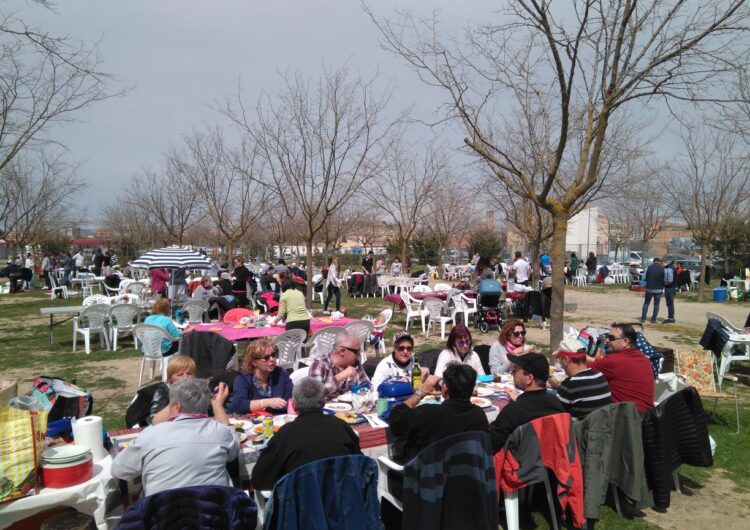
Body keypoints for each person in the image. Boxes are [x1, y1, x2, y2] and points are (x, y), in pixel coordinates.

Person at [111, 378, 238, 497]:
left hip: (164, 510)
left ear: (176, 407)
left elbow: (119, 470)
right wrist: (217, 405)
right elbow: (233, 451)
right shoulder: (221, 432)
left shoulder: (150, 435)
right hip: (213, 508)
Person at [251, 377, 361, 490]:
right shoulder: (341, 427)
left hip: (301, 499)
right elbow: (360, 466)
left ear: (293, 405)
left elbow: (259, 481)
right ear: (324, 401)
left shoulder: (286, 434)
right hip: (342, 497)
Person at [388, 364, 489, 463]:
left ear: (445, 388)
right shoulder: (479, 415)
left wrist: (421, 392)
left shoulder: (428, 414)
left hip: (426, 471)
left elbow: (395, 423)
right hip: (463, 470)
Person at [488, 352, 564, 452]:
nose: (511, 373)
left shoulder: (513, 411)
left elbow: (489, 445)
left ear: (529, 378)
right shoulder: (557, 403)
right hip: (551, 458)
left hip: (520, 460)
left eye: (515, 370)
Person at [588, 323, 654, 413]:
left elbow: (581, 368)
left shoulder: (613, 361)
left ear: (625, 341)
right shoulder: (644, 359)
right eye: (607, 336)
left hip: (626, 417)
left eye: (611, 338)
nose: (607, 340)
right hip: (647, 415)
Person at [549, 338, 611, 419]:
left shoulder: (570, 384)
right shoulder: (599, 375)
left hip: (580, 426)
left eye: (559, 359)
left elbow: (555, 413)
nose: (559, 363)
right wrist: (558, 387)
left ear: (566, 360)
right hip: (600, 425)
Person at [229, 338, 293, 415]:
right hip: (251, 420)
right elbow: (237, 405)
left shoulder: (281, 374)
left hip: (278, 419)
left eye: (273, 355)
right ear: (253, 362)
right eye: (266, 358)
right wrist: (266, 403)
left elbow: (291, 400)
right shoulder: (243, 378)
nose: (272, 359)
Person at [309, 331, 369, 400]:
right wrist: (339, 377)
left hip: (351, 405)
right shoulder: (319, 365)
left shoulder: (354, 364)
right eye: (356, 352)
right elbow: (314, 394)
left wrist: (359, 393)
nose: (359, 355)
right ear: (342, 351)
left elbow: (367, 386)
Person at [149, 355, 199, 425]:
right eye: (180, 374)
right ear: (171, 378)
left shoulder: (199, 390)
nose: (185, 377)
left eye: (189, 373)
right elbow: (154, 420)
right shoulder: (164, 391)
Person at [640, 258, 665, 323]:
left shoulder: (648, 267)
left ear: (653, 261)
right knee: (656, 304)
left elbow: (643, 277)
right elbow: (665, 278)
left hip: (649, 288)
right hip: (659, 288)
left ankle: (643, 318)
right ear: (659, 262)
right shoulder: (663, 268)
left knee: (646, 303)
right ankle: (653, 319)